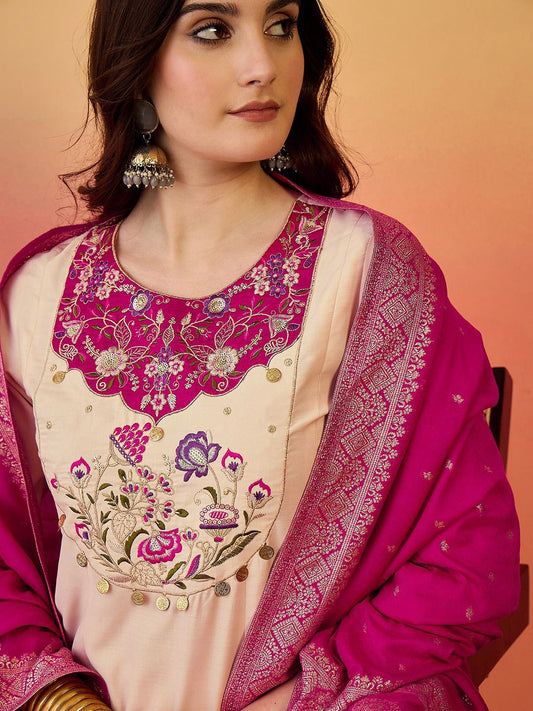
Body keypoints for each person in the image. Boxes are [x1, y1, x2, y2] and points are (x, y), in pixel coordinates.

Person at [0, 0, 520, 710]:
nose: (262, 65)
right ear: (136, 64)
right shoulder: (38, 291)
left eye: (281, 26)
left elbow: (460, 565)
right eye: (213, 31)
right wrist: (60, 699)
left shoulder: (367, 273)